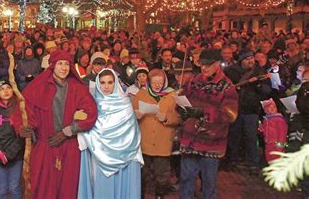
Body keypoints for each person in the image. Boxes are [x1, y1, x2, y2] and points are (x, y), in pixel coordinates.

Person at [13, 50, 98, 199]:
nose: (64, 68)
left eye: (67, 64)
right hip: (45, 146)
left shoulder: (77, 88)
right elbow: (23, 111)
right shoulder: (38, 86)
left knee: (68, 189)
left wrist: (67, 131)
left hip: (70, 148)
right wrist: (24, 127)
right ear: (52, 66)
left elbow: (91, 114)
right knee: (44, 189)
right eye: (60, 64)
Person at [178, 49, 238, 199]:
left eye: (208, 65)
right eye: (202, 64)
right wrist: (181, 109)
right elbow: (183, 99)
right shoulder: (194, 81)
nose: (204, 68)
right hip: (190, 139)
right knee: (186, 179)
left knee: (208, 183)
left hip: (211, 142)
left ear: (217, 64)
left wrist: (202, 112)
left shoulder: (227, 86)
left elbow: (230, 115)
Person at [77, 68, 143, 198]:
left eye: (110, 82)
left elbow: (132, 133)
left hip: (125, 155)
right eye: (102, 83)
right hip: (100, 156)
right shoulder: (92, 105)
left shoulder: (125, 104)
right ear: (97, 84)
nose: (106, 86)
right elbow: (89, 129)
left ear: (116, 83)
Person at [133, 68, 180, 198]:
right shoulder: (141, 94)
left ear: (165, 82)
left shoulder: (172, 96)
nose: (157, 85)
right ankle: (140, 195)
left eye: (160, 82)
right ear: (149, 82)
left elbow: (179, 117)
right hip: (144, 141)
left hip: (163, 141)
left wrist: (166, 117)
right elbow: (131, 113)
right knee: (142, 173)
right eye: (154, 82)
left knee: (162, 174)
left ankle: (159, 196)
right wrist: (135, 114)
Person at [0, 80, 24, 199]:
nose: (6, 91)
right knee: (2, 189)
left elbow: (21, 135)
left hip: (15, 155)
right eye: (2, 89)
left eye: (8, 87)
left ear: (13, 90)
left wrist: (10, 154)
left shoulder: (20, 108)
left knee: (14, 187)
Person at [258, 98, 287, 163]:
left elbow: (282, 132)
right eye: (269, 107)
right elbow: (264, 130)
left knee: (277, 159)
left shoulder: (279, 119)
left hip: (276, 144)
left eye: (274, 107)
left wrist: (281, 143)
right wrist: (261, 129)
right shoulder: (266, 120)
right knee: (269, 158)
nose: (272, 108)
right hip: (268, 143)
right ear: (265, 110)